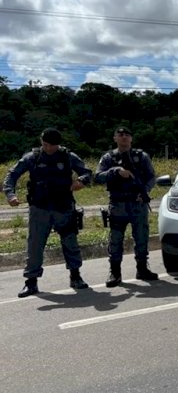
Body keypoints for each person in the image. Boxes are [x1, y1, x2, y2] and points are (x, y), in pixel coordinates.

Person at [3, 128, 91, 297]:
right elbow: (12, 175)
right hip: (40, 208)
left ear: (58, 144)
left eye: (52, 145)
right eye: (45, 145)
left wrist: (81, 180)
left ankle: (76, 276)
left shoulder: (68, 156)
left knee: (70, 242)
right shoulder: (33, 157)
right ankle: (31, 282)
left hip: (63, 207)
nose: (49, 148)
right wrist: (10, 194)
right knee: (34, 245)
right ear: (41, 141)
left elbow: (87, 172)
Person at [95, 127, 158, 286]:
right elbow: (98, 177)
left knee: (142, 238)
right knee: (115, 240)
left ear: (131, 138)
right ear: (115, 138)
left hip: (138, 203)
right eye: (120, 135)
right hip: (118, 204)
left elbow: (151, 177)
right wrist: (115, 171)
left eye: (127, 135)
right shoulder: (108, 158)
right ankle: (115, 273)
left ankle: (142, 269)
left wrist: (145, 191)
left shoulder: (141, 156)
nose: (123, 137)